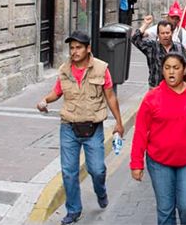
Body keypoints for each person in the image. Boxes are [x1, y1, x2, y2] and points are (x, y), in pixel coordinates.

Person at [36, 31, 124, 225]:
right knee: (69, 171)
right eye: (72, 48)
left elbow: (110, 97)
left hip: (93, 128)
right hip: (69, 127)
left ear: (88, 49)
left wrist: (119, 123)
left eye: (78, 47)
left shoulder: (101, 69)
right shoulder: (64, 70)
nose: (74, 52)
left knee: (97, 169)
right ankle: (74, 210)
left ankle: (101, 191)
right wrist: (44, 100)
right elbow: (57, 91)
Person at [130, 53, 186, 225]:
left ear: (185, 70)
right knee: (165, 210)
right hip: (159, 162)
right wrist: (136, 163)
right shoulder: (152, 98)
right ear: (163, 71)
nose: (171, 72)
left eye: (176, 68)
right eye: (167, 68)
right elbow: (141, 132)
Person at [132, 15, 186, 89]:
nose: (165, 35)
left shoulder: (179, 47)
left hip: (175, 88)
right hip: (156, 88)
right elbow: (135, 39)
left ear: (171, 33)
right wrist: (145, 24)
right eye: (162, 33)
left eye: (167, 33)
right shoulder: (151, 47)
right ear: (158, 35)